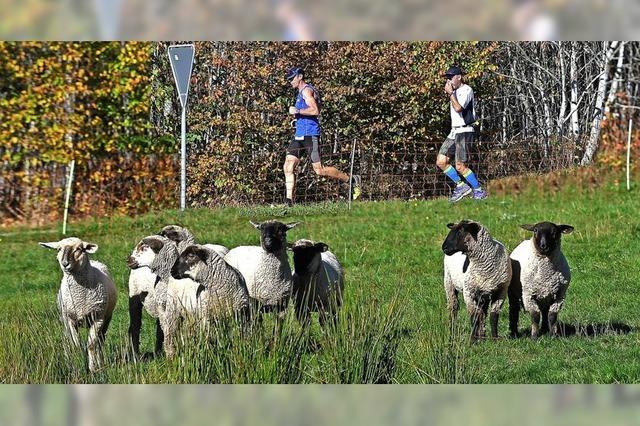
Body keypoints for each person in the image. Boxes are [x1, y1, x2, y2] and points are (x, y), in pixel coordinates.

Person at [283, 67, 361, 207]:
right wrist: (297, 119)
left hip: (310, 134)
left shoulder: (307, 90)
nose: (290, 82)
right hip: (299, 134)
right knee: (288, 166)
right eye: (289, 79)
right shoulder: (300, 92)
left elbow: (315, 110)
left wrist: (298, 111)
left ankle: (351, 179)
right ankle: (288, 202)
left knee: (319, 170)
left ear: (300, 77)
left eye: (292, 78)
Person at [436, 65, 488, 202]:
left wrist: (450, 94)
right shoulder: (454, 91)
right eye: (446, 78)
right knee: (441, 161)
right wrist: (451, 93)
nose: (448, 81)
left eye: (450, 78)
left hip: (464, 130)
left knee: (460, 166)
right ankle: (461, 186)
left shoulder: (467, 90)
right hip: (454, 131)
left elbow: (459, 108)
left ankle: (479, 191)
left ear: (459, 77)